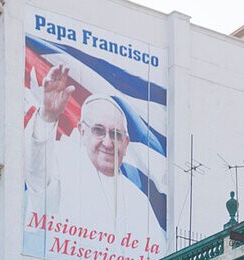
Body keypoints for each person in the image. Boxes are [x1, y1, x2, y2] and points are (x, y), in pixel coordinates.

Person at [24, 66, 161, 248]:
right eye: (98, 130)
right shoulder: (62, 161)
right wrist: (47, 116)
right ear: (82, 132)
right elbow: (36, 173)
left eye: (115, 134)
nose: (107, 142)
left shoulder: (139, 201)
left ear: (126, 143)